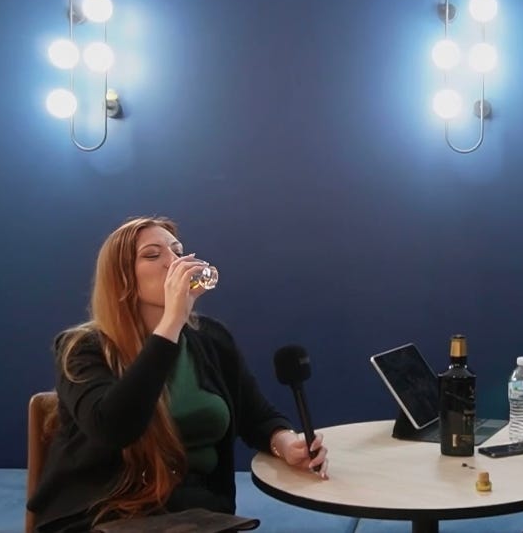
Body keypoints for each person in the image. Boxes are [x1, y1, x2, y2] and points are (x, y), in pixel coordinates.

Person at [27, 216, 329, 533]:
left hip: (194, 514)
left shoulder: (211, 338)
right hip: (102, 513)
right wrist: (171, 322)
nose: (174, 262)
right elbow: (114, 429)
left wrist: (286, 443)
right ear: (122, 279)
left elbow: (257, 417)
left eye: (178, 251)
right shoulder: (82, 348)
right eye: (153, 255)